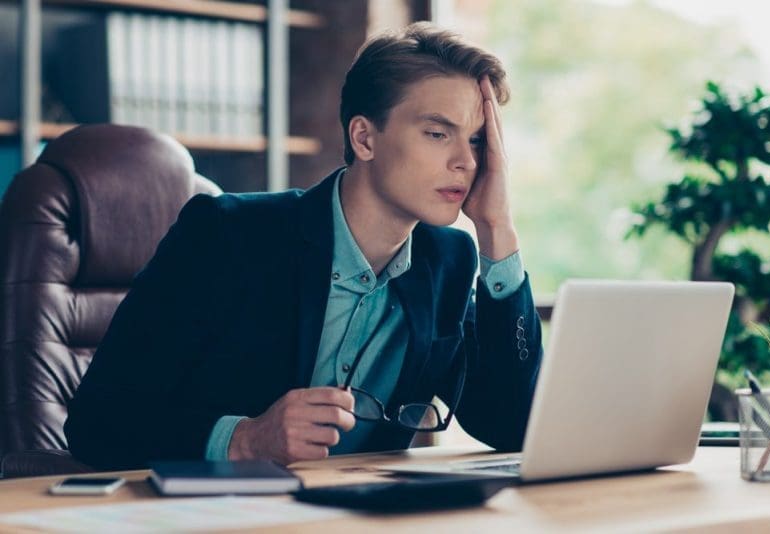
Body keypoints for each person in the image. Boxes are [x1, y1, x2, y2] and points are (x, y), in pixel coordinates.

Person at [65, 22, 543, 470]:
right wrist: (246, 439)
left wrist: (498, 232)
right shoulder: (227, 234)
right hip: (216, 514)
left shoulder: (450, 261)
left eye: (479, 141)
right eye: (438, 134)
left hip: (355, 516)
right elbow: (97, 421)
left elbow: (512, 425)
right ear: (364, 138)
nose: (465, 161)